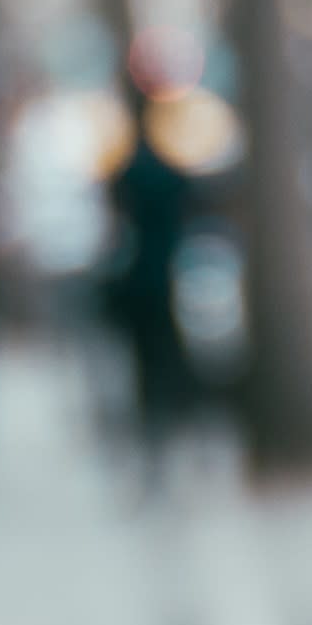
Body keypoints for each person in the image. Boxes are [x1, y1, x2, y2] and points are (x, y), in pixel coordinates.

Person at [102, 93, 215, 479]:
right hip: (167, 281)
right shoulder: (170, 172)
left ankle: (158, 438)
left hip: (141, 284)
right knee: (174, 361)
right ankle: (187, 435)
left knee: (147, 368)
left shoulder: (126, 173)